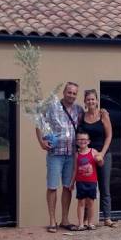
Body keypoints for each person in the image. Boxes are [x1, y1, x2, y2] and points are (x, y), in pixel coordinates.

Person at [36, 82, 84, 232]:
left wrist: (101, 112)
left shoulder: (79, 110)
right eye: (69, 92)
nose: (71, 95)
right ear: (64, 92)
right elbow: (39, 121)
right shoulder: (52, 106)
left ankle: (65, 219)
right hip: (55, 154)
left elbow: (89, 119)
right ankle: (52, 221)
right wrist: (41, 142)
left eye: (74, 93)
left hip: (71, 154)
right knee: (52, 187)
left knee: (68, 187)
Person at [77, 89, 115, 227]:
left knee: (104, 186)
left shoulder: (103, 115)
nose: (91, 101)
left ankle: (107, 218)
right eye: (88, 99)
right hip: (88, 156)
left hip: (103, 154)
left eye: (93, 99)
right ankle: (87, 220)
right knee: (88, 186)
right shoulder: (82, 116)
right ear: (85, 102)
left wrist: (102, 154)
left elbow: (109, 136)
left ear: (97, 101)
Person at [70, 131, 103, 231]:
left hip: (92, 182)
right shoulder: (76, 154)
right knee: (81, 203)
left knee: (91, 204)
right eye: (79, 139)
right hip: (80, 182)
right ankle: (80, 224)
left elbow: (101, 164)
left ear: (88, 141)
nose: (82, 141)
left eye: (84, 139)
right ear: (76, 141)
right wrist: (72, 182)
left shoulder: (93, 151)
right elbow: (75, 169)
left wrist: (100, 160)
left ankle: (90, 223)